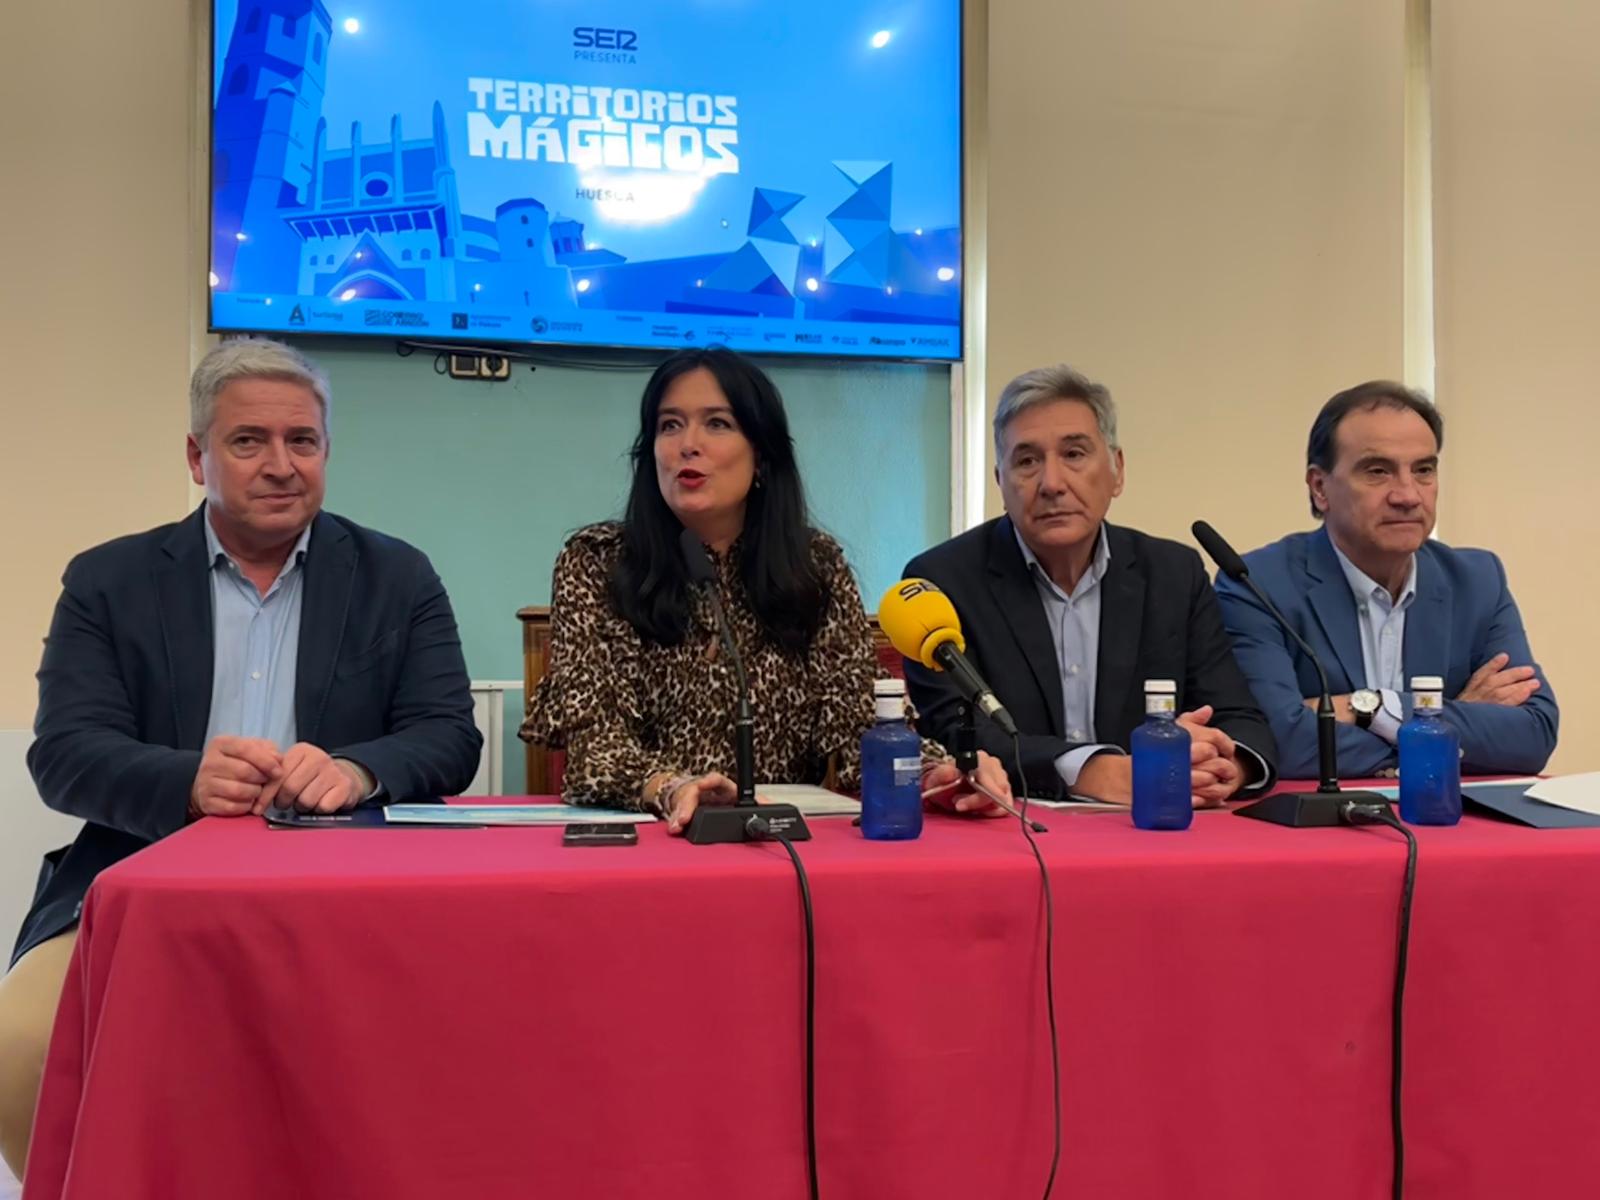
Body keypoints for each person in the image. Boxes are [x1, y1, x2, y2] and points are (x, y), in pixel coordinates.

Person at [0, 339, 482, 1180]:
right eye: (247, 441)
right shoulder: (108, 581)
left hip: (353, 890)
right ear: (198, 457)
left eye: (302, 441)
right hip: (138, 875)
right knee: (19, 1048)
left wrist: (359, 771)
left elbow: (448, 735)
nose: (280, 466)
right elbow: (65, 753)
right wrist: (184, 781)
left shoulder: (398, 577)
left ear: (327, 451)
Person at [521, 346, 1012, 833]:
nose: (687, 444)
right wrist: (670, 786)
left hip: (779, 841)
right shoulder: (597, 562)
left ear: (762, 455)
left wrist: (934, 773)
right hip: (651, 834)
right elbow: (595, 750)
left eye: (717, 423)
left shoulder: (814, 567)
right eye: (669, 425)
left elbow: (858, 726)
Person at [903, 364, 1278, 804]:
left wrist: (1223, 765)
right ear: (1000, 481)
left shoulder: (1173, 574)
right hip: (1013, 831)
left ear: (1117, 470)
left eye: (1075, 454)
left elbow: (1240, 718)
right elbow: (957, 734)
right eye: (1026, 461)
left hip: (1152, 833)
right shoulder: (941, 583)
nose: (1052, 483)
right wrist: (1096, 771)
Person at [1214, 380, 1558, 779]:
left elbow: (1534, 736)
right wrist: (1443, 723)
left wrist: (1373, 708)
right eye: (1378, 471)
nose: (1408, 495)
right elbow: (1281, 743)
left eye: (1424, 470)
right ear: (1320, 487)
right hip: (1321, 833)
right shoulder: (1257, 585)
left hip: (1447, 824)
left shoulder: (1478, 580)